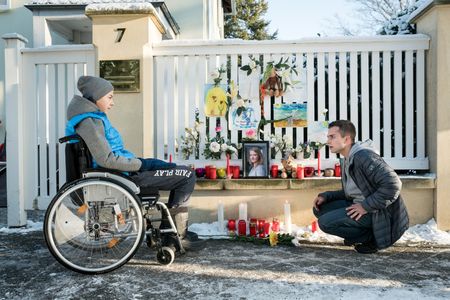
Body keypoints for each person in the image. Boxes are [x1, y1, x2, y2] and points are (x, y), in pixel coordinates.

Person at [66, 75, 200, 250]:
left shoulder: (91, 119)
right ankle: (176, 236)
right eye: (109, 97)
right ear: (96, 97)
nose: (112, 102)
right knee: (187, 175)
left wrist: (142, 163)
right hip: (123, 177)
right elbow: (106, 159)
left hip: (123, 172)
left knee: (171, 167)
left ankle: (171, 231)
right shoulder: (89, 121)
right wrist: (140, 165)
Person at [312, 120, 409, 254]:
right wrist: (327, 196)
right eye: (328, 137)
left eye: (332, 137)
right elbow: (355, 191)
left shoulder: (364, 157)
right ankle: (358, 235)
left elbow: (393, 184)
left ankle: (371, 238)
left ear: (346, 139)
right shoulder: (348, 158)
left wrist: (365, 206)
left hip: (380, 213)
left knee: (325, 223)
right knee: (320, 208)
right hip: (362, 205)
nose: (328, 141)